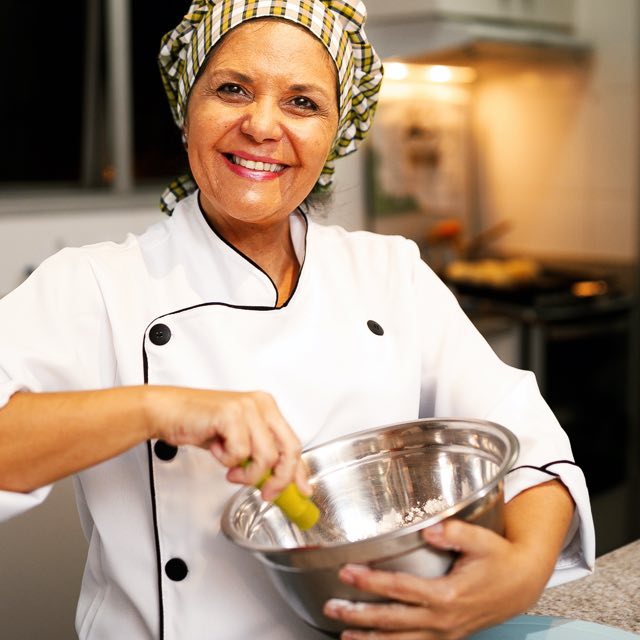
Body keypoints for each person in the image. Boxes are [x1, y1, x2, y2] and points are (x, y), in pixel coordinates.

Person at [0, 1, 594, 638]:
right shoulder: (98, 283)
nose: (261, 125)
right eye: (232, 89)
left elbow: (529, 444)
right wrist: (158, 407)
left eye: (302, 102)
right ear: (186, 110)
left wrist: (523, 569)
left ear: (336, 132)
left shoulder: (387, 272)